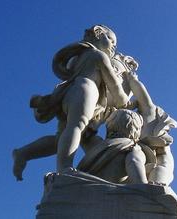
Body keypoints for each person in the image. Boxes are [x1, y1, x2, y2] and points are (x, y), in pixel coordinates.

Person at [13, 25, 131, 177]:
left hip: (69, 93)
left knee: (61, 138)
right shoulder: (99, 56)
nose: (114, 46)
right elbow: (114, 86)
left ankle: (23, 153)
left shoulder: (77, 56)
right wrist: (124, 100)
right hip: (85, 90)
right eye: (111, 40)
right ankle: (64, 169)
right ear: (98, 33)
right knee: (76, 126)